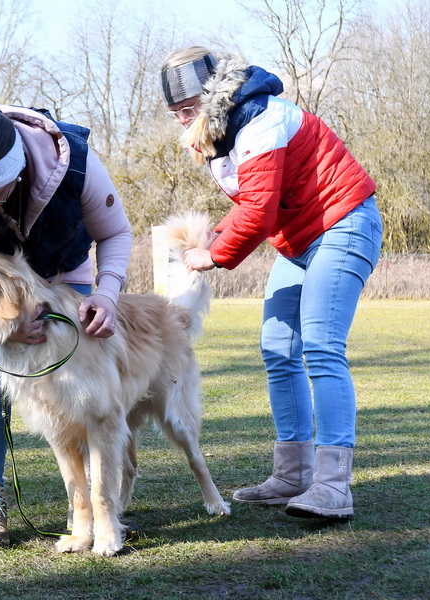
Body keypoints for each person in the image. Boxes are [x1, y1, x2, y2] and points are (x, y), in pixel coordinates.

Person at [160, 47, 383, 519]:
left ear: (210, 97)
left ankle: (332, 485)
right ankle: (293, 474)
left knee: (321, 348)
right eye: (174, 114)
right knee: (278, 348)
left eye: (186, 110)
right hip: (300, 241)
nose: (181, 122)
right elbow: (252, 205)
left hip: (343, 224)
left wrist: (212, 254)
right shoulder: (228, 131)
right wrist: (212, 236)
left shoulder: (262, 120)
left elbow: (258, 211)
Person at [0, 104, 132, 549]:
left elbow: (115, 233)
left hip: (63, 274)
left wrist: (106, 295)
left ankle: (99, 509)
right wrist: (8, 326)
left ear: (17, 172)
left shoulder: (74, 164)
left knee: (79, 395)